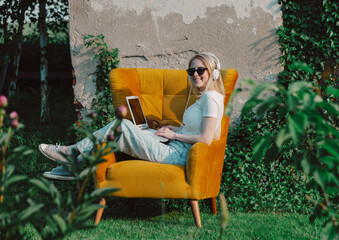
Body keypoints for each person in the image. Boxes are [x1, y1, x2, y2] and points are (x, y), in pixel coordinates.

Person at [39, 52, 225, 180]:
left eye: (201, 70)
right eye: (191, 71)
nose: (195, 74)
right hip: (175, 147)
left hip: (177, 155)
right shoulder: (206, 98)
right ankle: (76, 163)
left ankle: (71, 153)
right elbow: (211, 133)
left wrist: (174, 135)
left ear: (213, 72)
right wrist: (175, 129)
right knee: (126, 130)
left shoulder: (211, 98)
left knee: (123, 127)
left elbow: (206, 139)